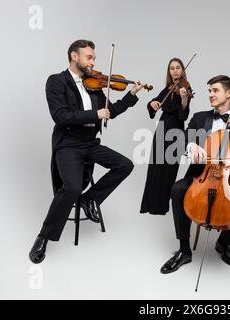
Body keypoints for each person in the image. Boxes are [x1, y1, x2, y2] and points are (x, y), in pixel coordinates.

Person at [29, 39, 147, 264]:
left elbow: (109, 111)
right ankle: (44, 236)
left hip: (90, 143)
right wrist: (95, 115)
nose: (93, 62)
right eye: (89, 57)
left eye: (94, 57)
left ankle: (90, 199)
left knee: (125, 165)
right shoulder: (56, 81)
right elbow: (61, 117)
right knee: (71, 187)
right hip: (68, 144)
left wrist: (132, 94)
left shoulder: (95, 85)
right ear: (74, 56)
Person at [160, 75, 230, 274]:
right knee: (177, 190)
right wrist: (191, 146)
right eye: (209, 91)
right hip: (200, 176)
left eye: (215, 90)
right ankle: (184, 251)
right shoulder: (200, 117)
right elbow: (182, 140)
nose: (210, 94)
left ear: (229, 94)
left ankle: (223, 243)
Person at [139, 58, 192, 215]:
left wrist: (184, 98)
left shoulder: (185, 88)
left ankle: (161, 206)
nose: (175, 70)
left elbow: (183, 115)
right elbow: (155, 102)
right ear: (169, 71)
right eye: (172, 68)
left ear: (182, 70)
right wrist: (152, 104)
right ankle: (150, 205)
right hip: (162, 129)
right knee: (156, 167)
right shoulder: (168, 88)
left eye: (178, 67)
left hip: (175, 131)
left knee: (168, 169)